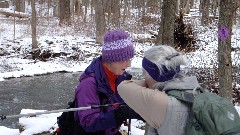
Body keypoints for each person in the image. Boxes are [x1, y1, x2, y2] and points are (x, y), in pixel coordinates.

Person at [117, 45, 201, 135]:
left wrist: (154, 84)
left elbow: (122, 86)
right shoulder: (195, 90)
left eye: (144, 72)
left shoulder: (159, 101)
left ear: (154, 75)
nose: (144, 77)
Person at [74, 30, 141, 135]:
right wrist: (119, 114)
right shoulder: (88, 84)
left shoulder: (120, 77)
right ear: (112, 59)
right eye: (126, 60)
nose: (129, 64)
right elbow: (88, 122)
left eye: (130, 59)